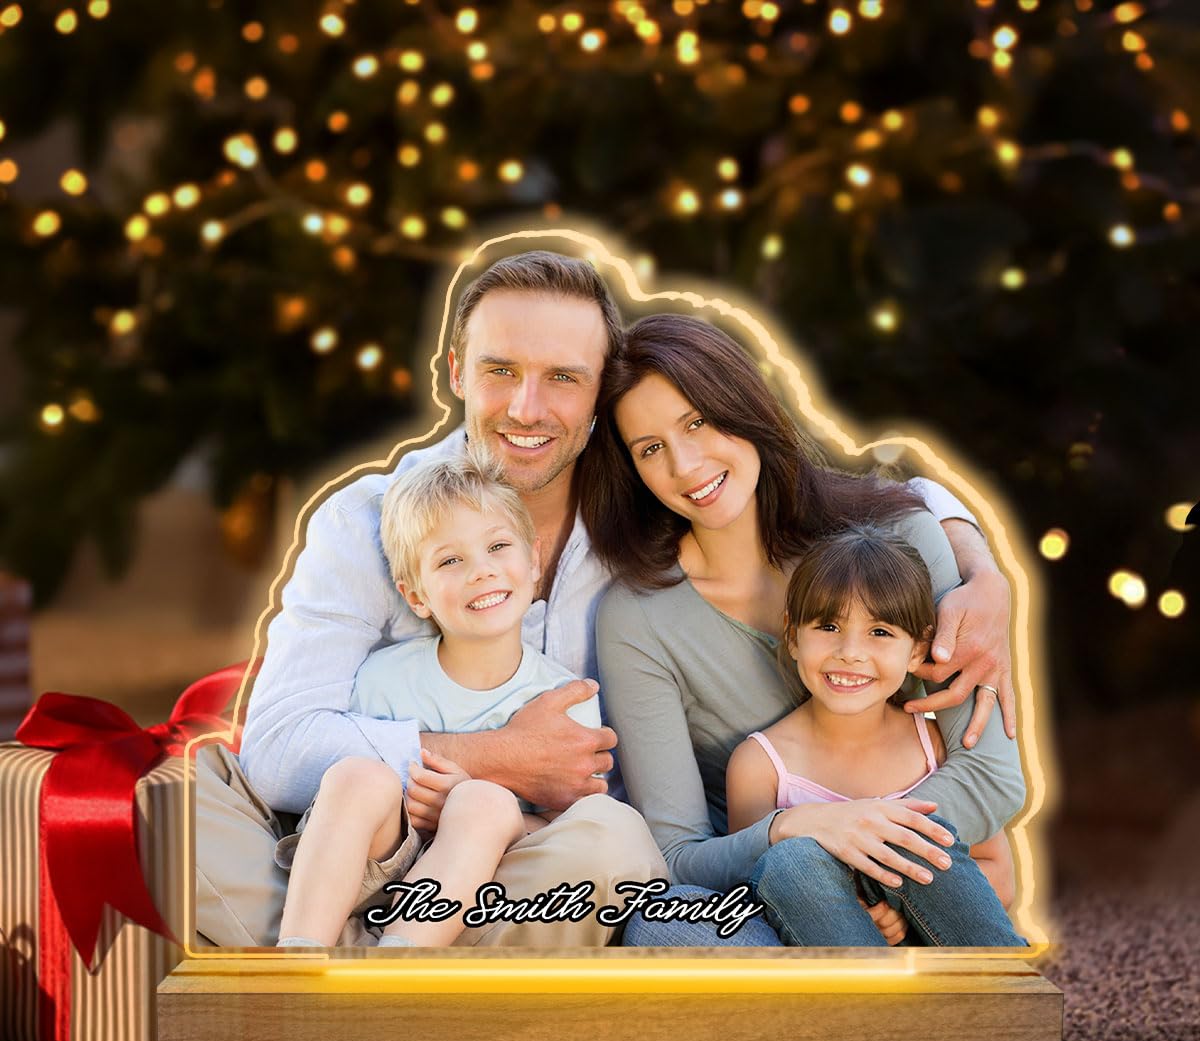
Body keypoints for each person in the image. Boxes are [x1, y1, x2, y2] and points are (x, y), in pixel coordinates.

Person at [196, 248, 1015, 949]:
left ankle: (385, 965)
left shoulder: (641, 505)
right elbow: (278, 748)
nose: (526, 408)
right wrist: (493, 758)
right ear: (455, 372)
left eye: (562, 379)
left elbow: (861, 474)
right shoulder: (369, 522)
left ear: (597, 399)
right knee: (211, 821)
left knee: (621, 862)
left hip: (570, 864)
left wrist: (980, 564)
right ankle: (345, 963)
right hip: (396, 842)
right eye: (500, 372)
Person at [588, 313, 1027, 947]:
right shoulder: (638, 617)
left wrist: (859, 867)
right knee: (665, 926)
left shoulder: (902, 539)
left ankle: (967, 1025)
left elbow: (990, 775)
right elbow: (678, 854)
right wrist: (797, 832)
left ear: (741, 405)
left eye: (697, 422)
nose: (685, 465)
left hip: (915, 881)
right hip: (756, 899)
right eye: (650, 448)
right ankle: (848, 1035)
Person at [275, 451, 634, 948]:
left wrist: (469, 806)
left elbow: (561, 829)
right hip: (385, 863)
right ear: (415, 594)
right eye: (450, 560)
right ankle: (296, 958)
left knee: (482, 800)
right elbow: (350, 809)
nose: (481, 572)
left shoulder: (563, 698)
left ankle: (399, 965)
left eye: (498, 546)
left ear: (532, 561)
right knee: (357, 772)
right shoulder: (384, 677)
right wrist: (414, 800)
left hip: (483, 885)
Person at [725, 524, 1022, 946]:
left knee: (910, 838)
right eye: (827, 626)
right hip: (838, 962)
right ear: (792, 636)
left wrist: (902, 913)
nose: (850, 652)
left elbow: (999, 876)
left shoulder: (935, 747)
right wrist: (858, 914)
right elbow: (748, 897)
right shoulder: (760, 767)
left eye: (880, 632)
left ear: (918, 649)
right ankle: (877, 1010)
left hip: (948, 959)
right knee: (791, 861)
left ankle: (1006, 1005)